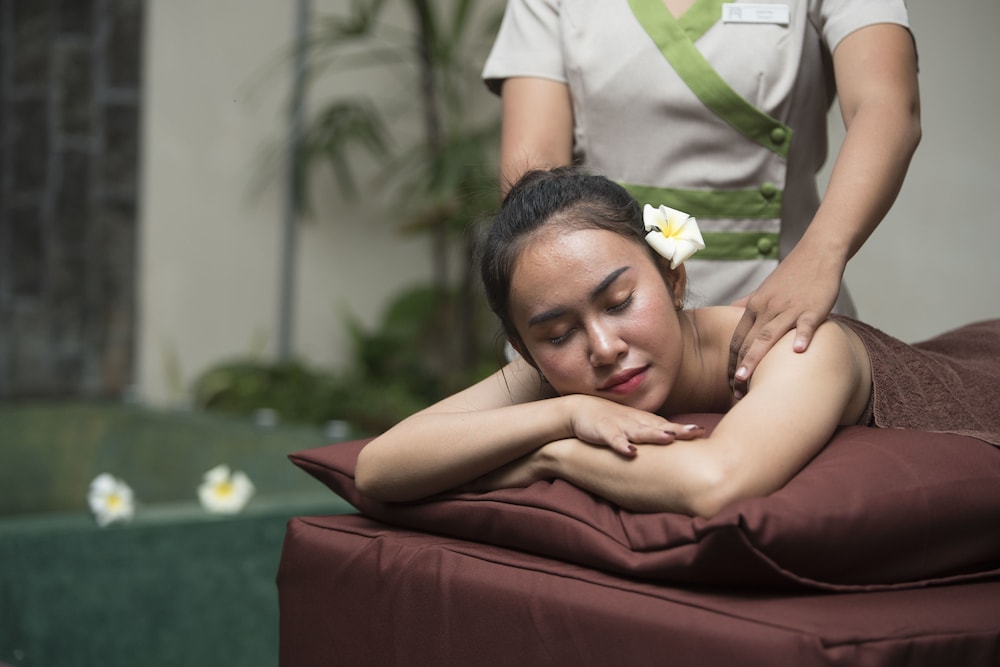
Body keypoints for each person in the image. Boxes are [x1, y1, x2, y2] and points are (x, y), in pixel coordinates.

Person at [355, 168, 1000, 517]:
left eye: (620, 302)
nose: (603, 346)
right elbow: (379, 467)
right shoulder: (566, 376)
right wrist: (565, 413)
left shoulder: (795, 348)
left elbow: (718, 483)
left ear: (673, 277)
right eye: (557, 334)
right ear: (526, 352)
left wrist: (550, 457)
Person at [480, 0, 922, 398]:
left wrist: (821, 256)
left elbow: (886, 105)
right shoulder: (598, 344)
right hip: (594, 351)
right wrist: (568, 361)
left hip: (779, 310)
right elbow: (535, 173)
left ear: (677, 278)